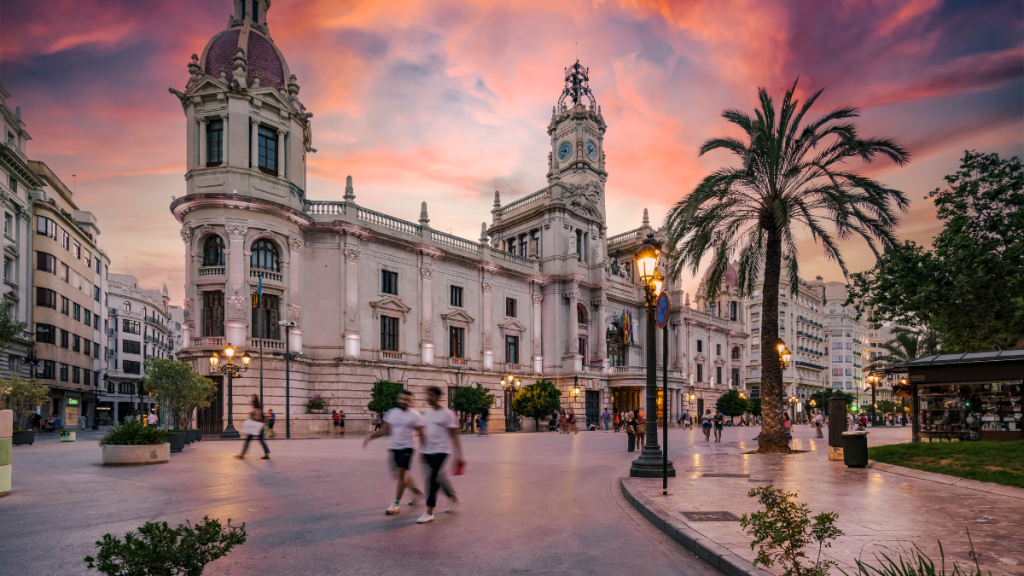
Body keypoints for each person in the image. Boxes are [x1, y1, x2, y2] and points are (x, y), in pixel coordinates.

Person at [364, 389, 425, 515]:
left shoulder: (415, 415)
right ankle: (416, 492)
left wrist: (425, 450)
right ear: (399, 399)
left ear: (411, 402)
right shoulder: (392, 413)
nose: (404, 401)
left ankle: (396, 504)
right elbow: (384, 429)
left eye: (407, 400)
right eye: (402, 399)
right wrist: (370, 437)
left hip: (408, 447)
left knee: (402, 475)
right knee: (400, 475)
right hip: (394, 447)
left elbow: (422, 433)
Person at [417, 386, 463, 524]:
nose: (428, 397)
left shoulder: (448, 414)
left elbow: (455, 436)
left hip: (442, 450)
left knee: (432, 478)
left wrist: (458, 455)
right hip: (428, 450)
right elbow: (423, 433)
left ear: (437, 397)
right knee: (437, 476)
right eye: (427, 394)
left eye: (431, 395)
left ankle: (429, 511)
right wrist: (422, 450)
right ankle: (451, 496)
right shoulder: (426, 413)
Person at [236, 395, 270, 460]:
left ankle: (242, 454)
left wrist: (254, 417)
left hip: (255, 427)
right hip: (258, 427)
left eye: (252, 403)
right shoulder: (259, 408)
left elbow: (258, 418)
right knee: (261, 440)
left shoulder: (257, 409)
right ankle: (267, 454)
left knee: (248, 440)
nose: (251, 404)